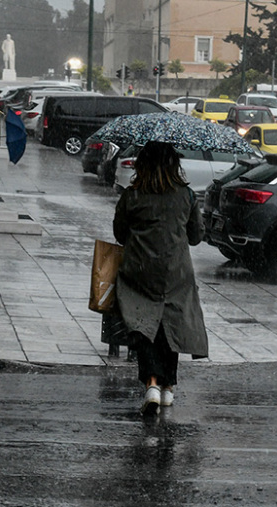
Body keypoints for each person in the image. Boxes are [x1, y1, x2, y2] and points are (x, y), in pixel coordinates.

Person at [112, 141, 209, 416]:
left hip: (140, 270)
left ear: (142, 165)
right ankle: (167, 387)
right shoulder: (186, 195)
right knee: (170, 325)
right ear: (173, 165)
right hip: (176, 272)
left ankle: (152, 383)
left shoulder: (132, 195)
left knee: (143, 324)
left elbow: (120, 233)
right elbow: (196, 236)